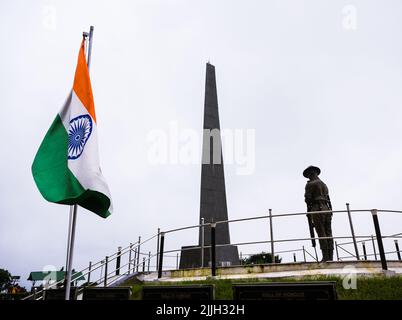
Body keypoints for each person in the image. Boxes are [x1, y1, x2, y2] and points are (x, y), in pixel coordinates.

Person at [303, 165, 334, 262]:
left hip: (316, 209)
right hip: (327, 208)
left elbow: (307, 199)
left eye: (308, 175)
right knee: (329, 233)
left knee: (321, 233)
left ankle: (325, 257)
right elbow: (328, 198)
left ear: (311, 174)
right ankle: (330, 257)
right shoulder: (324, 184)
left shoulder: (310, 184)